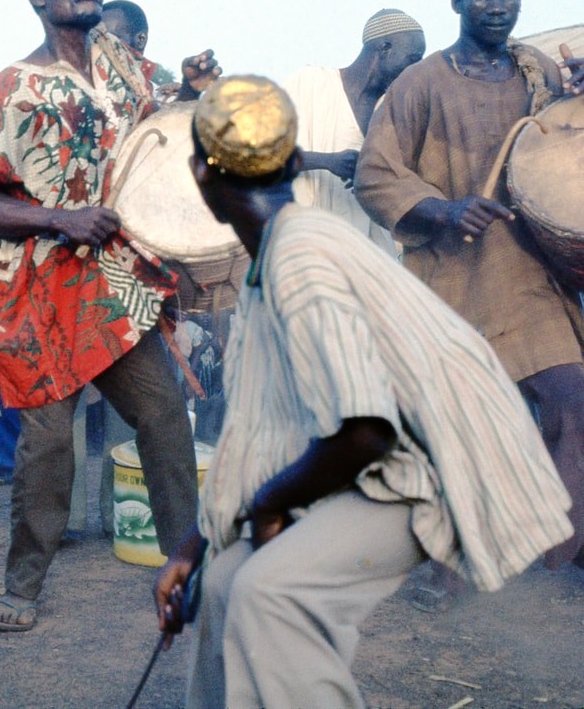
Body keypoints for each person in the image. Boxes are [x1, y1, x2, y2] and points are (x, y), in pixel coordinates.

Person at [153, 74, 572, 709]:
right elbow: (260, 435)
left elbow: (367, 431)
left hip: (433, 469)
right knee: (222, 581)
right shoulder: (275, 261)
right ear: (294, 164)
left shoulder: (303, 258)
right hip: (378, 461)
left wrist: (268, 506)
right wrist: (198, 545)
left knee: (273, 593)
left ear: (201, 177)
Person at [0, 0, 219, 632]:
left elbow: (164, 135)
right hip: (43, 294)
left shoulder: (125, 70)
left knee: (164, 419)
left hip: (117, 287)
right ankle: (22, 584)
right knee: (46, 445)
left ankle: (184, 567)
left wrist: (192, 91)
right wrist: (60, 218)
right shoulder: (10, 89)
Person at [357, 0, 584, 568]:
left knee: (573, 401)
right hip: (450, 280)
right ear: (456, 1)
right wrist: (443, 210)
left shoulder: (538, 72)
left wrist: (582, 96)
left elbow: (562, 147)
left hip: (529, 275)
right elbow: (374, 176)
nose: (496, 6)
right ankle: (448, 566)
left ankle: (557, 554)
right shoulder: (420, 84)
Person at [283, 8, 424, 254]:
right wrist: (327, 161)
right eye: (412, 59)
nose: (415, 72)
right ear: (384, 49)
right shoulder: (310, 83)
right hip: (303, 250)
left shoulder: (394, 112)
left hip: (366, 258)